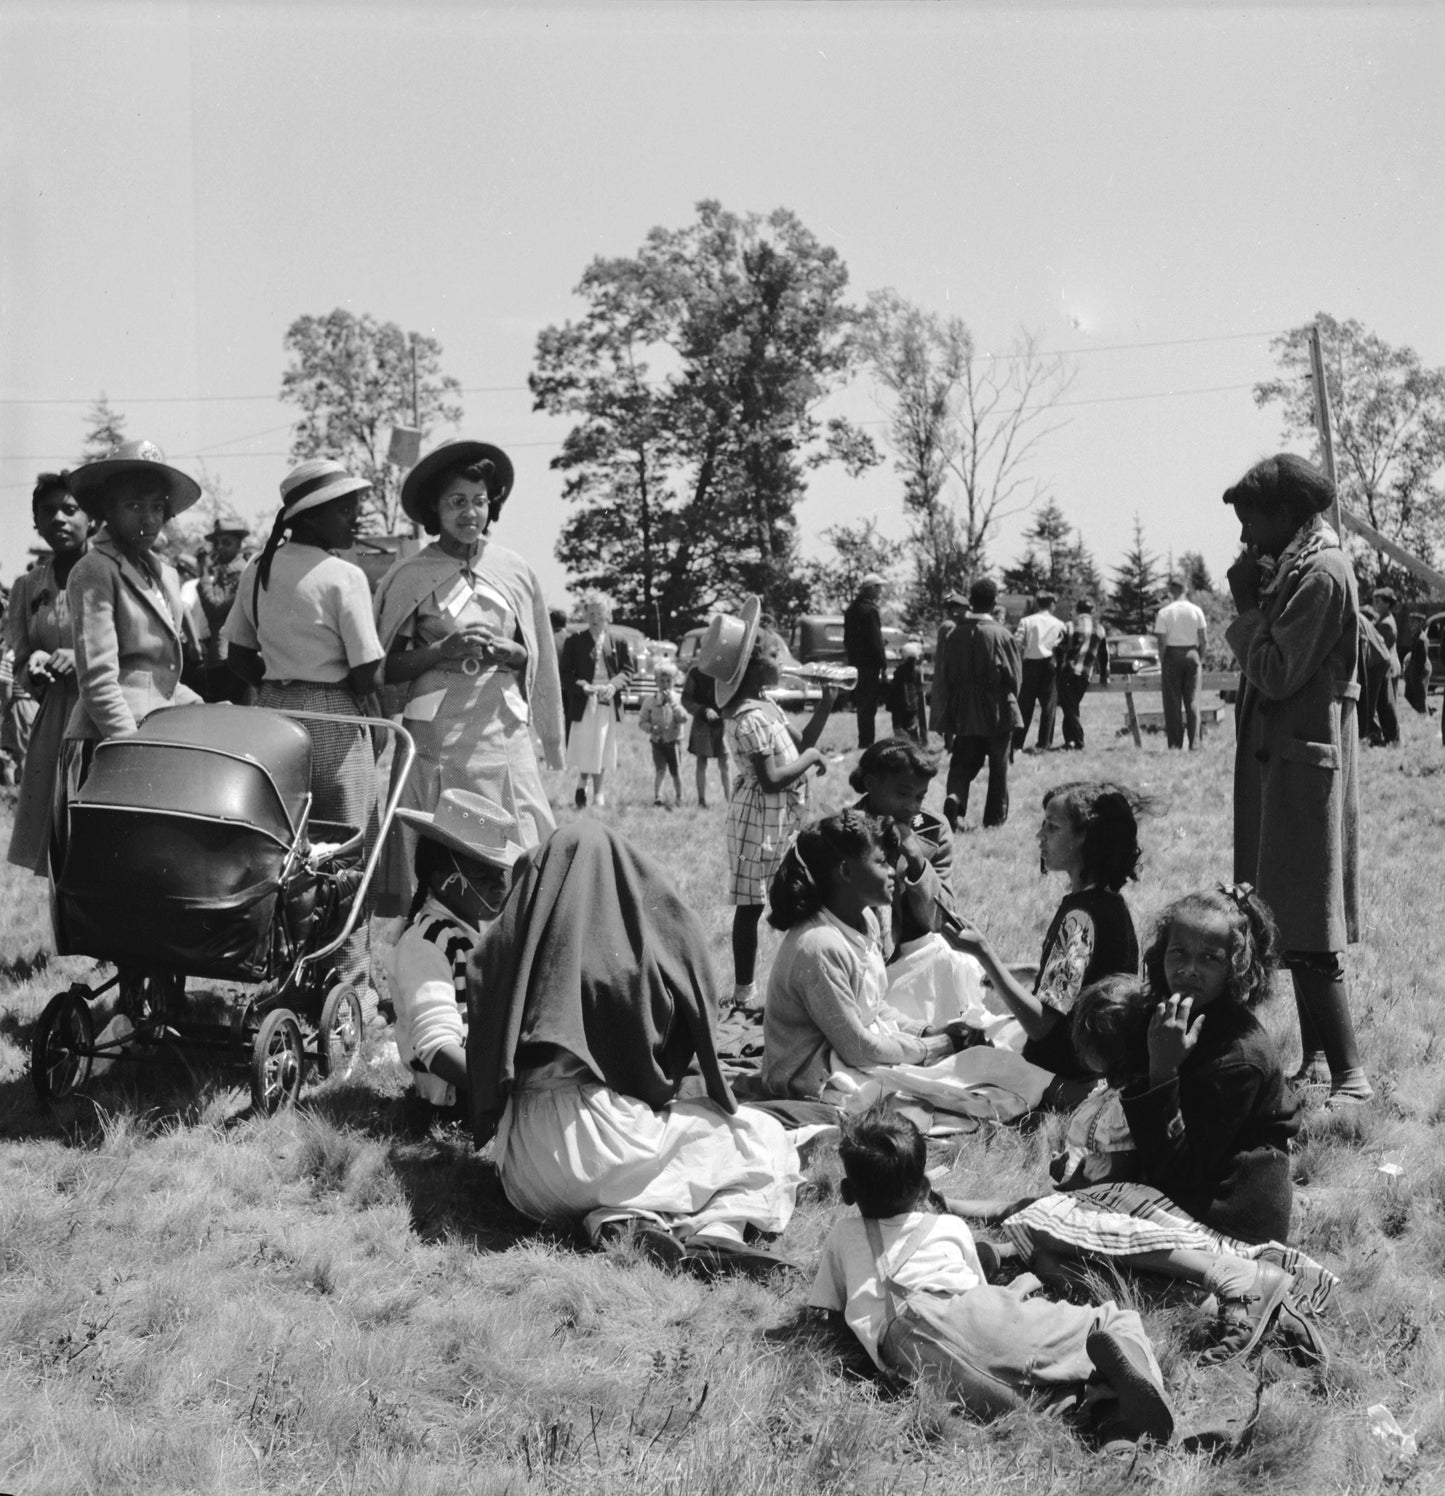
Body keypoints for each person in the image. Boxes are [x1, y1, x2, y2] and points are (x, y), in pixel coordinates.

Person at [992, 886, 1331, 1365]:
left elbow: (1182, 1168)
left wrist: (1163, 1071)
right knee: (1051, 1251)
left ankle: (1236, 1283)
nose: (1190, 969)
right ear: (1160, 953)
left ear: (1237, 967)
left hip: (1226, 1217)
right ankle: (1209, 1300)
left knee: (1054, 1230)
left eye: (1209, 958)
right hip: (1186, 1191)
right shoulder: (1182, 1014)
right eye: (1178, 953)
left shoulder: (1238, 1055)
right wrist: (1107, 1164)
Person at [470, 819, 803, 1277]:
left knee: (628, 1173)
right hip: (596, 1142)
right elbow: (655, 1066)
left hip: (521, 1170)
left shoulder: (507, 945)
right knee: (760, 1138)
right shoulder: (619, 964)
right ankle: (720, 1231)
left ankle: (616, 1222)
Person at [808, 1105, 1176, 1444]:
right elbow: (980, 1297)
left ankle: (1115, 1436)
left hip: (915, 1364)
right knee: (1111, 1319)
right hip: (970, 1318)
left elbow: (828, 1313)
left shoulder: (842, 1236)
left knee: (1046, 1401)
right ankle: (1137, 1379)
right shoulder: (947, 1226)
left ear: (846, 1192)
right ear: (923, 1189)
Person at [1223, 454, 1371, 1104]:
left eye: (1251, 521)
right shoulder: (1295, 568)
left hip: (1302, 776)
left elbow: (1278, 671)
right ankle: (1313, 1062)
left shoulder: (1323, 573)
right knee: (1283, 920)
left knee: (1307, 929)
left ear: (1287, 514)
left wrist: (1245, 608)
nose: (1245, 537)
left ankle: (1350, 1077)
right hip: (1282, 771)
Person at [372, 439, 563, 916]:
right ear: (435, 510)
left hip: (502, 731)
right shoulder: (408, 575)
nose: (470, 513)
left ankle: (514, 944)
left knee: (521, 842)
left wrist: (515, 652)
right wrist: (441, 651)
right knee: (440, 850)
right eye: (457, 502)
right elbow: (383, 667)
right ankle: (432, 945)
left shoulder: (514, 570)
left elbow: (536, 655)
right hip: (438, 736)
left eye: (479, 502)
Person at [222, 458, 385, 1014]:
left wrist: (278, 682)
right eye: (345, 508)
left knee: (289, 849)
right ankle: (351, 989)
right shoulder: (344, 576)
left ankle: (288, 975)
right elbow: (369, 673)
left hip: (274, 717)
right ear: (310, 515)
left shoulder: (259, 570)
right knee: (346, 850)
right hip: (334, 715)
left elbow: (238, 654)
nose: (355, 518)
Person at [948, 782, 1145, 1107]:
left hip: (1060, 1073)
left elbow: (1040, 1026)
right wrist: (1018, 973)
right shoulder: (1109, 904)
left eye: (1052, 828)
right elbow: (1077, 977)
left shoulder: (1080, 917)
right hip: (1092, 1065)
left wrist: (984, 953)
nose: (1040, 836)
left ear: (1087, 838)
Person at [760, 811, 976, 1102]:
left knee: (963, 1077)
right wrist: (935, 1046)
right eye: (882, 861)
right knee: (935, 1097)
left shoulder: (866, 920)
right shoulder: (818, 946)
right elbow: (857, 1047)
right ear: (847, 872)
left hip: (849, 1056)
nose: (892, 871)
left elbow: (871, 1009)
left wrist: (926, 1031)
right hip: (811, 1075)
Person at [59, 442, 203, 857]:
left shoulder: (163, 575)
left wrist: (212, 712)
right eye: (134, 505)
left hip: (157, 743)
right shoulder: (95, 570)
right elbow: (100, 681)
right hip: (110, 747)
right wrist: (133, 753)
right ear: (107, 508)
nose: (149, 517)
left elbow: (160, 676)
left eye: (158, 507)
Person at [702, 598, 835, 1009]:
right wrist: (811, 762)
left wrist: (827, 701)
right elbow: (773, 779)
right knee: (751, 905)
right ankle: (745, 992)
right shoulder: (747, 717)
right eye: (776, 654)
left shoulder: (768, 705)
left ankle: (797, 979)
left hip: (780, 821)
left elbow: (802, 744)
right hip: (755, 821)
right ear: (754, 666)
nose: (785, 661)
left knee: (791, 893)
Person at [389, 788, 522, 1124]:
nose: (499, 886)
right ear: (442, 878)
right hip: (458, 1093)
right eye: (484, 876)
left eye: (500, 874)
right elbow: (437, 1048)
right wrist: (508, 1092)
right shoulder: (426, 944)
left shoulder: (473, 930)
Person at [6, 472, 90, 875]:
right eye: (48, 511)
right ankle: (67, 932)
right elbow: (19, 660)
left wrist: (82, 657)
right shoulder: (27, 587)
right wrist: (34, 670)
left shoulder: (109, 574)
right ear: (36, 522)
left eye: (70, 509)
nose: (59, 518)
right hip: (55, 719)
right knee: (58, 839)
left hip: (102, 715)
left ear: (92, 518)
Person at [849, 736, 956, 954]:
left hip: (918, 955)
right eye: (903, 794)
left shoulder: (933, 832)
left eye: (920, 796)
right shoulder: (845, 831)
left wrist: (917, 861)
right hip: (857, 953)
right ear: (871, 784)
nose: (913, 807)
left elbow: (942, 920)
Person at [938, 578, 1021, 832]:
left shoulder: (954, 634)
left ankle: (955, 800)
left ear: (970, 602)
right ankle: (994, 819)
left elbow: (946, 674)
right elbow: (1015, 677)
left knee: (962, 762)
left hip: (964, 710)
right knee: (998, 767)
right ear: (995, 602)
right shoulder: (1001, 634)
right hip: (996, 709)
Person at [559, 593, 632, 809]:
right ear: (584, 614)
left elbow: (627, 671)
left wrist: (613, 685)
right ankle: (582, 783)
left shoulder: (618, 640)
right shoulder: (575, 640)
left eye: (599, 613)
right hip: (584, 702)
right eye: (590, 613)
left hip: (607, 701)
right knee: (585, 745)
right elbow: (565, 673)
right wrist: (582, 686)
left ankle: (598, 793)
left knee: (602, 745)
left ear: (607, 615)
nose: (595, 618)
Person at [194, 520, 251, 703]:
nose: (219, 548)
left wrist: (203, 572)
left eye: (226, 543)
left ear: (239, 545)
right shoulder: (226, 570)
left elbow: (214, 608)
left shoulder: (238, 572)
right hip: (225, 657)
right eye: (217, 543)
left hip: (228, 659)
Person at [1152, 578, 1208, 750]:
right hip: (1192, 653)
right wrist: (1200, 658)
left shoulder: (1164, 612)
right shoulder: (1196, 610)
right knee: (1193, 701)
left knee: (1172, 702)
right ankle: (1195, 743)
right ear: (1186, 588)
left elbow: (1161, 641)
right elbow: (1203, 639)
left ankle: (1175, 743)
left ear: (1172, 591)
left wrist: (1163, 659)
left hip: (1172, 654)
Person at [1013, 593, 1066, 753]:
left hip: (1030, 664)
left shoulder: (1027, 621)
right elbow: (1061, 644)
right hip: (1049, 664)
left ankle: (1017, 742)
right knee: (1048, 706)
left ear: (1037, 604)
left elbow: (1017, 641)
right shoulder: (1059, 624)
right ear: (1052, 605)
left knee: (1025, 705)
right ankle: (1044, 743)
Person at [844, 572, 888, 749]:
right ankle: (867, 742)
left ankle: (864, 739)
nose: (881, 591)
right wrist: (883, 664)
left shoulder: (851, 610)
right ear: (871, 589)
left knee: (861, 703)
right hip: (870, 665)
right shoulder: (870, 610)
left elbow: (848, 640)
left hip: (856, 663)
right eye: (879, 587)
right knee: (869, 705)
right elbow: (875, 640)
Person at [1057, 598, 1105, 750]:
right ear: (1092, 611)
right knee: (1071, 706)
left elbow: (1058, 647)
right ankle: (1069, 741)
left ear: (1077, 610)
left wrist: (1058, 665)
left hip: (1068, 671)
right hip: (1085, 673)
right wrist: (1105, 675)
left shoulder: (1070, 625)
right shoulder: (1100, 629)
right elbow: (1104, 655)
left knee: (1069, 708)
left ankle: (1078, 740)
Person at [681, 661, 731, 808]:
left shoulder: (726, 671)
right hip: (702, 723)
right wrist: (703, 710)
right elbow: (686, 699)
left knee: (725, 763)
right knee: (701, 762)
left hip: (722, 723)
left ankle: (730, 802)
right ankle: (701, 801)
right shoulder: (695, 672)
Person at [638, 659, 686, 807]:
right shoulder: (650, 701)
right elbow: (642, 721)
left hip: (674, 741)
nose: (665, 684)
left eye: (668, 681)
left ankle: (679, 797)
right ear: (656, 682)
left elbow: (683, 718)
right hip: (657, 742)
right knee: (660, 770)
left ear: (674, 682)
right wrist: (651, 728)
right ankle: (658, 796)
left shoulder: (678, 698)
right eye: (662, 681)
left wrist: (673, 704)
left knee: (676, 771)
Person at [927, 590, 968, 746]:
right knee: (949, 707)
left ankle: (949, 743)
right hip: (948, 673)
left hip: (946, 672)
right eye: (963, 609)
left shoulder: (948, 624)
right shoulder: (950, 626)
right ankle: (950, 745)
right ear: (955, 610)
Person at [885, 641, 926, 743]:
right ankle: (916, 748)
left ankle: (903, 746)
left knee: (900, 730)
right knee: (912, 729)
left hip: (899, 706)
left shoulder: (899, 671)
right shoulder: (917, 671)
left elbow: (894, 688)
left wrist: (889, 704)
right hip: (913, 706)